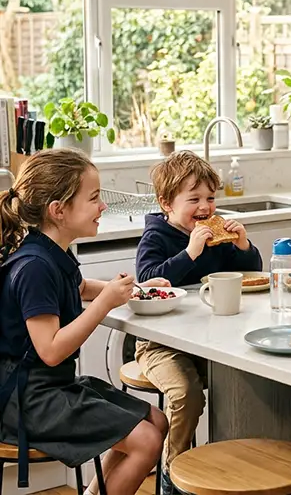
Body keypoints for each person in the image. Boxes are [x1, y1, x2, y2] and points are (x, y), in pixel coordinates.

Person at [0, 149, 168, 495]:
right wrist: (106, 304)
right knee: (146, 440)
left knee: (156, 421)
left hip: (50, 387)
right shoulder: (34, 268)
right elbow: (50, 350)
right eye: (93, 198)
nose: (102, 207)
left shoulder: (53, 252)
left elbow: (83, 288)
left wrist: (137, 290)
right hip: (25, 400)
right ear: (58, 211)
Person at [135, 150, 262, 495]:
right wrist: (189, 253)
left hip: (210, 339)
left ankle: (230, 471)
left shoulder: (215, 235)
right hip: (159, 345)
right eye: (194, 199)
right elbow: (147, 280)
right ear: (166, 204)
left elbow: (252, 272)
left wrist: (243, 244)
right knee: (187, 394)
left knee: (249, 378)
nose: (205, 207)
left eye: (210, 198)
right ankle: (171, 474)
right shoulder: (157, 237)